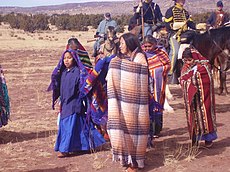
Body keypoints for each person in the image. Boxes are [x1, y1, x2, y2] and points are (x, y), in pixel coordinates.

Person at [48, 49, 105, 158]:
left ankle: (64, 149)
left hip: (74, 103)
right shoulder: (63, 72)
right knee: (79, 126)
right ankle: (85, 146)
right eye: (64, 58)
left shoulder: (78, 72)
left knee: (69, 126)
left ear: (74, 59)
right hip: (65, 103)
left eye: (69, 58)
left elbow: (81, 87)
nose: (66, 60)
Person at [107, 33, 149, 171]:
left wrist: (118, 64)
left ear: (130, 44)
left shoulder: (140, 57)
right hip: (125, 102)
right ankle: (127, 158)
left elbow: (139, 76)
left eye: (123, 43)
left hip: (136, 105)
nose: (120, 46)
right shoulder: (125, 58)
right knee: (123, 128)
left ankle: (135, 164)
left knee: (134, 132)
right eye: (120, 43)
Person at [180, 47, 217, 147]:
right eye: (185, 60)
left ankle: (208, 139)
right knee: (193, 117)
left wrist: (192, 78)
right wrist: (187, 80)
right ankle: (195, 138)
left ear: (195, 58)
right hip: (192, 100)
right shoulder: (185, 67)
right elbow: (182, 79)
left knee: (205, 115)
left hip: (204, 98)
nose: (187, 62)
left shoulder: (203, 67)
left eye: (189, 60)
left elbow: (206, 79)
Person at [142, 35, 171, 140]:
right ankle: (148, 129)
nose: (147, 49)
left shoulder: (161, 52)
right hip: (145, 83)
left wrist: (155, 70)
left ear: (154, 44)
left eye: (149, 46)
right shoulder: (141, 53)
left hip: (158, 83)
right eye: (145, 46)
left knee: (157, 103)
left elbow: (167, 64)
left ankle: (157, 129)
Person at [164, 0, 196, 84]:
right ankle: (169, 73)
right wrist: (176, 25)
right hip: (174, 34)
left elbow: (191, 24)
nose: (182, 1)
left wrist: (196, 26)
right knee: (175, 51)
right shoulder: (171, 10)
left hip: (185, 34)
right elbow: (167, 24)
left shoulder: (185, 12)